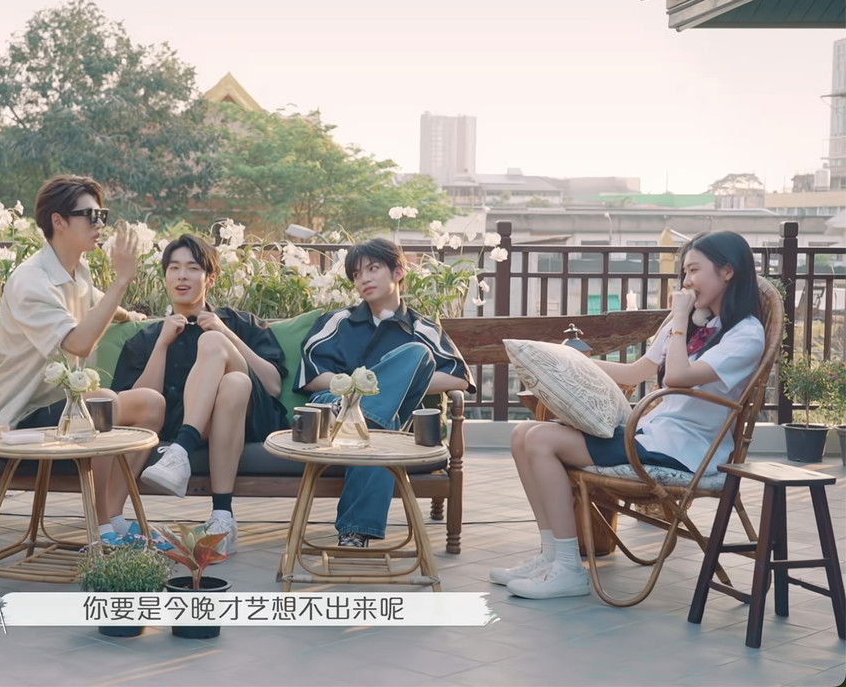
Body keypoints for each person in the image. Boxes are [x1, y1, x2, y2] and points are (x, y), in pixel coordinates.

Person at [491, 231, 765, 599]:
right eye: (684, 272)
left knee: (541, 440)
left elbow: (677, 376)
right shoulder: (689, 323)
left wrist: (679, 318)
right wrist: (565, 363)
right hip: (651, 434)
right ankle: (551, 557)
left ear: (728, 271)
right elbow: (635, 373)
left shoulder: (745, 335)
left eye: (694, 270)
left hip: (686, 451)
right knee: (522, 434)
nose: (686, 282)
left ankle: (569, 570)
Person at [0, 175, 164, 545]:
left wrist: (131, 316)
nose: (100, 224)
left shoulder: (76, 271)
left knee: (152, 404)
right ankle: (101, 527)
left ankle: (114, 517)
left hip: (67, 412)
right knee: (103, 401)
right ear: (59, 221)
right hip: (18, 420)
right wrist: (122, 280)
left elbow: (96, 304)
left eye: (103, 215)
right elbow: (78, 344)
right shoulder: (31, 281)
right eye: (91, 216)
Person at [110, 234, 289, 554]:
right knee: (234, 383)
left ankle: (180, 451)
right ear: (165, 277)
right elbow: (140, 404)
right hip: (182, 419)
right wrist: (162, 344)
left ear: (211, 277)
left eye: (193, 268)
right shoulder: (148, 338)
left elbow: (273, 385)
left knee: (214, 346)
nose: (182, 276)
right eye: (174, 268)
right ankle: (223, 517)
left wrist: (225, 333)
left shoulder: (241, 323)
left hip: (247, 419)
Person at [297, 238, 473, 548]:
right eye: (356, 274)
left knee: (417, 355)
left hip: (389, 420)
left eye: (373, 269)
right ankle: (355, 530)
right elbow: (310, 378)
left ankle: (365, 417)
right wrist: (354, 390)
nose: (363, 279)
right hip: (332, 410)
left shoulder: (422, 329)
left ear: (398, 272)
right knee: (383, 428)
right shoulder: (336, 322)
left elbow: (458, 378)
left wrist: (396, 383)